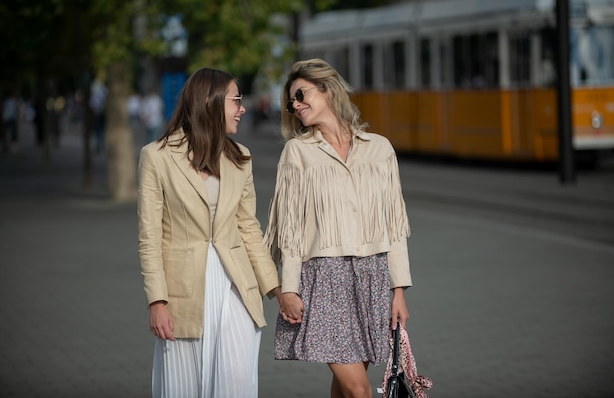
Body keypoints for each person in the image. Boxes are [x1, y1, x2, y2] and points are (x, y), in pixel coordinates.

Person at [263, 58, 413, 398]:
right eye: (291, 102)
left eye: (301, 95)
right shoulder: (297, 153)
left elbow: (394, 225)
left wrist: (399, 290)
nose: (296, 105)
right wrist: (288, 288)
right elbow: (290, 228)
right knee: (360, 391)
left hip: (371, 277)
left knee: (347, 387)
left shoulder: (380, 149)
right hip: (324, 278)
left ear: (327, 90)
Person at [138, 67, 284, 398]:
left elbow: (248, 227)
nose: (243, 108)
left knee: (235, 384)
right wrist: (157, 301)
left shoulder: (241, 157)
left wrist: (276, 289)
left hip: (237, 288)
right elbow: (149, 237)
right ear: (210, 103)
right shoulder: (156, 157)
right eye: (236, 100)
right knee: (182, 386)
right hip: (182, 292)